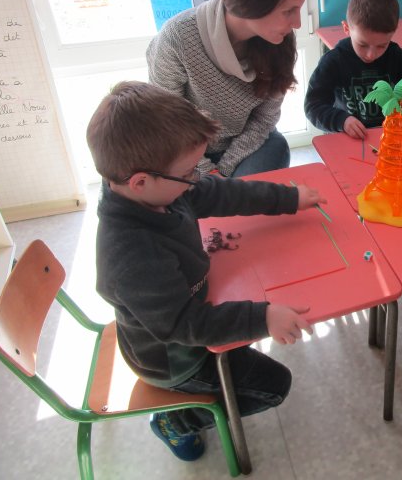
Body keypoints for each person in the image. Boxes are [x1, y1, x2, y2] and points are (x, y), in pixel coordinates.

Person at [86, 81, 326, 462]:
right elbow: (187, 325)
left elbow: (219, 192)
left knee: (248, 316)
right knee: (275, 385)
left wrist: (288, 198)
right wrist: (263, 317)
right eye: (187, 173)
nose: (194, 179)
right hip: (175, 359)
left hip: (189, 311)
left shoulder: (158, 191)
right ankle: (176, 422)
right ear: (140, 182)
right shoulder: (130, 255)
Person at [147, 0, 310, 177]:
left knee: (276, 146)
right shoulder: (177, 38)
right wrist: (208, 173)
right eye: (288, 11)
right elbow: (167, 124)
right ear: (252, 4)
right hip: (183, 152)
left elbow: (264, 120)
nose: (297, 23)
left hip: (241, 149)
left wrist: (224, 173)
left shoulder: (280, 40)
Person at [304, 0, 402, 139]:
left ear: (394, 32)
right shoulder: (334, 61)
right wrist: (342, 121)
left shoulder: (396, 57)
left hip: (391, 136)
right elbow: (313, 106)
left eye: (382, 46)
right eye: (362, 44)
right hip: (347, 138)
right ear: (346, 28)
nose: (371, 55)